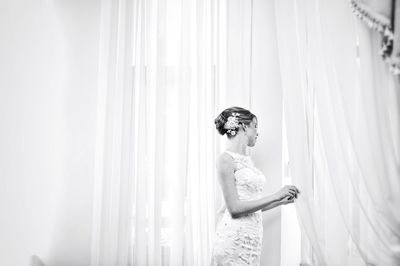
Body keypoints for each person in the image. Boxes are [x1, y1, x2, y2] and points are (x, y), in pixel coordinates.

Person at [211, 106, 300, 266]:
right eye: (255, 126)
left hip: (252, 238)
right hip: (234, 238)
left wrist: (281, 201)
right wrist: (276, 195)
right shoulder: (225, 160)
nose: (258, 132)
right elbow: (235, 209)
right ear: (244, 127)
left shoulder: (247, 161)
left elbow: (251, 204)